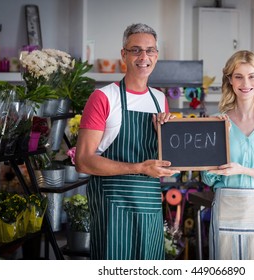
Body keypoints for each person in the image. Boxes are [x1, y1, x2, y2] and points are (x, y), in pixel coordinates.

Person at [75, 23, 179, 260]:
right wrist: (140, 168)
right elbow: (83, 161)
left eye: (150, 50)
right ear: (123, 54)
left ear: (157, 56)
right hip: (113, 205)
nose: (144, 57)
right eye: (136, 50)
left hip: (150, 203)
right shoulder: (103, 97)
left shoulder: (159, 100)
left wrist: (170, 147)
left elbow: (163, 163)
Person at [201, 50, 254, 260]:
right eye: (238, 76)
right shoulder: (217, 122)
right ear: (230, 80)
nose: (245, 83)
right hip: (228, 208)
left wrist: (242, 170)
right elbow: (207, 177)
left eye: (251, 76)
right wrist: (220, 146)